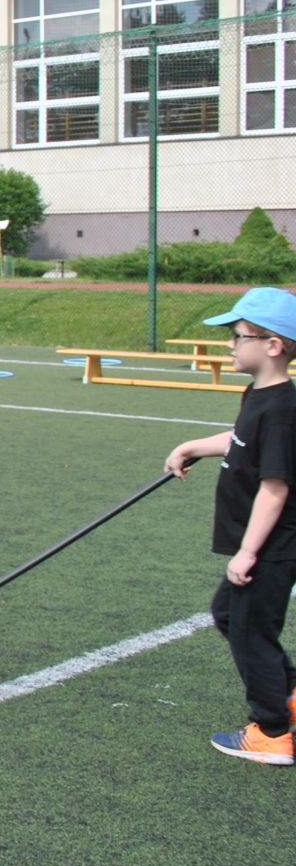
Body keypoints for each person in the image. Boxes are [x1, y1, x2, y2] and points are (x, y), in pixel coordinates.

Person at [165, 288, 296, 764]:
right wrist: (193, 446)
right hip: (263, 543)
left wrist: (248, 552)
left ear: (273, 345)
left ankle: (272, 731)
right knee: (229, 614)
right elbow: (241, 440)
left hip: (272, 545)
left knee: (249, 632)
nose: (230, 345)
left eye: (239, 336)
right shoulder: (260, 396)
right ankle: (289, 694)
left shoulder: (282, 410)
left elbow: (275, 488)